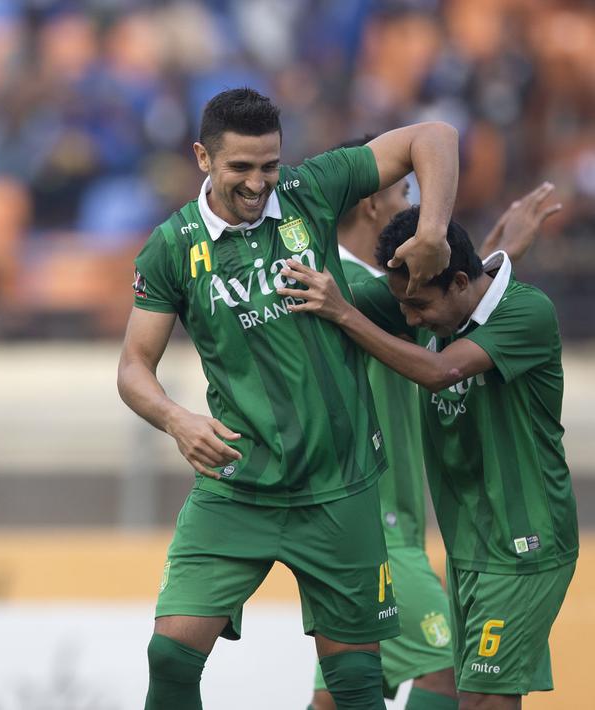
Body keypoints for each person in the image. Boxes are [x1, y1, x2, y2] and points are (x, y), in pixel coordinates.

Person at [117, 87, 458, 710]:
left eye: (269, 165)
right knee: (169, 657)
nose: (257, 183)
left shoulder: (311, 189)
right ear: (202, 157)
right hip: (237, 484)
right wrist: (175, 419)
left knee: (355, 685)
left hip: (340, 486)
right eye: (241, 167)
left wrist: (432, 229)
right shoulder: (171, 246)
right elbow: (134, 367)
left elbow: (432, 136)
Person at [278, 208, 578, 710]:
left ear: (458, 281)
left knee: (479, 697)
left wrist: (345, 314)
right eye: (403, 305)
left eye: (417, 306)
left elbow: (442, 372)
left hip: (524, 541)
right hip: (469, 544)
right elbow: (322, 300)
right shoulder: (429, 295)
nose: (410, 319)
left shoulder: (528, 311)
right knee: (469, 694)